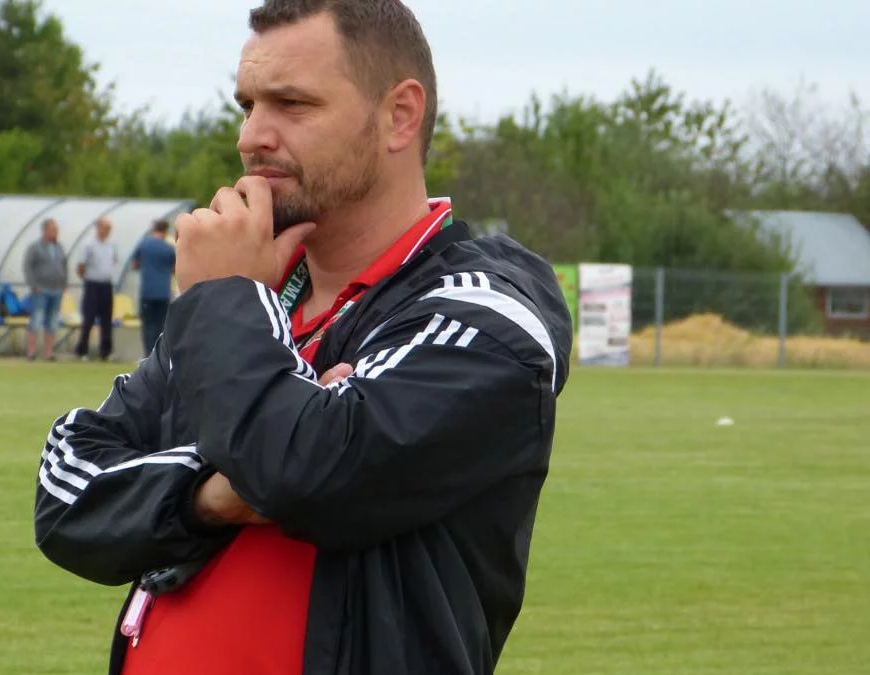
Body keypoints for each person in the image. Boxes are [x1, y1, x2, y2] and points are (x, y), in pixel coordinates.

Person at [33, 2, 573, 674]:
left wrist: (225, 305)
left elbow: (306, 472)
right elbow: (66, 491)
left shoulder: (485, 315)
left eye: (291, 104)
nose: (251, 137)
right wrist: (211, 496)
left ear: (399, 115)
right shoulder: (247, 305)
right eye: (247, 104)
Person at [21, 218, 68, 361]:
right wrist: (33, 285)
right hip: (40, 290)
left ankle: (49, 352)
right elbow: (27, 267)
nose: (56, 232)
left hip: (56, 290)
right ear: (45, 231)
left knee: (52, 322)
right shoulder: (35, 247)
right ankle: (31, 352)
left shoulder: (59, 248)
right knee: (36, 320)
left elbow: (64, 266)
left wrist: (64, 284)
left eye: (57, 230)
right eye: (53, 229)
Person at [129, 219, 177, 357]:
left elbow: (134, 265)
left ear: (153, 229)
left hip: (147, 292)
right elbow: (174, 269)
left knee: (148, 325)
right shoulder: (169, 249)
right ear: (166, 231)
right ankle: (158, 356)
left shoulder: (143, 244)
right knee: (160, 325)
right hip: (163, 292)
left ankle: (148, 355)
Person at [74, 217, 119, 361]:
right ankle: (82, 350)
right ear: (98, 228)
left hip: (106, 284)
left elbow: (114, 261)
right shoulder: (88, 244)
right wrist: (87, 278)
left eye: (109, 228)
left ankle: (106, 351)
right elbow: (81, 265)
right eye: (105, 227)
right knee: (89, 318)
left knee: (107, 318)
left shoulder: (112, 245)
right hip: (92, 284)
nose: (108, 231)